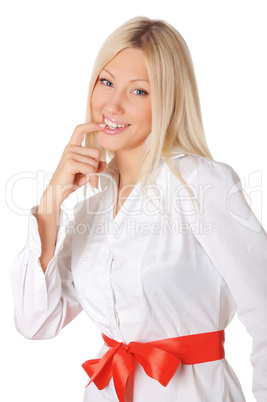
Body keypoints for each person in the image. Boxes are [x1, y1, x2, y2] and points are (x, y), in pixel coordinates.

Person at [10, 16, 267, 402]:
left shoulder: (201, 184)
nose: (112, 104)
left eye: (139, 91)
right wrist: (50, 203)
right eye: (107, 82)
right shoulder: (91, 207)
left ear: (168, 100)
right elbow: (34, 323)